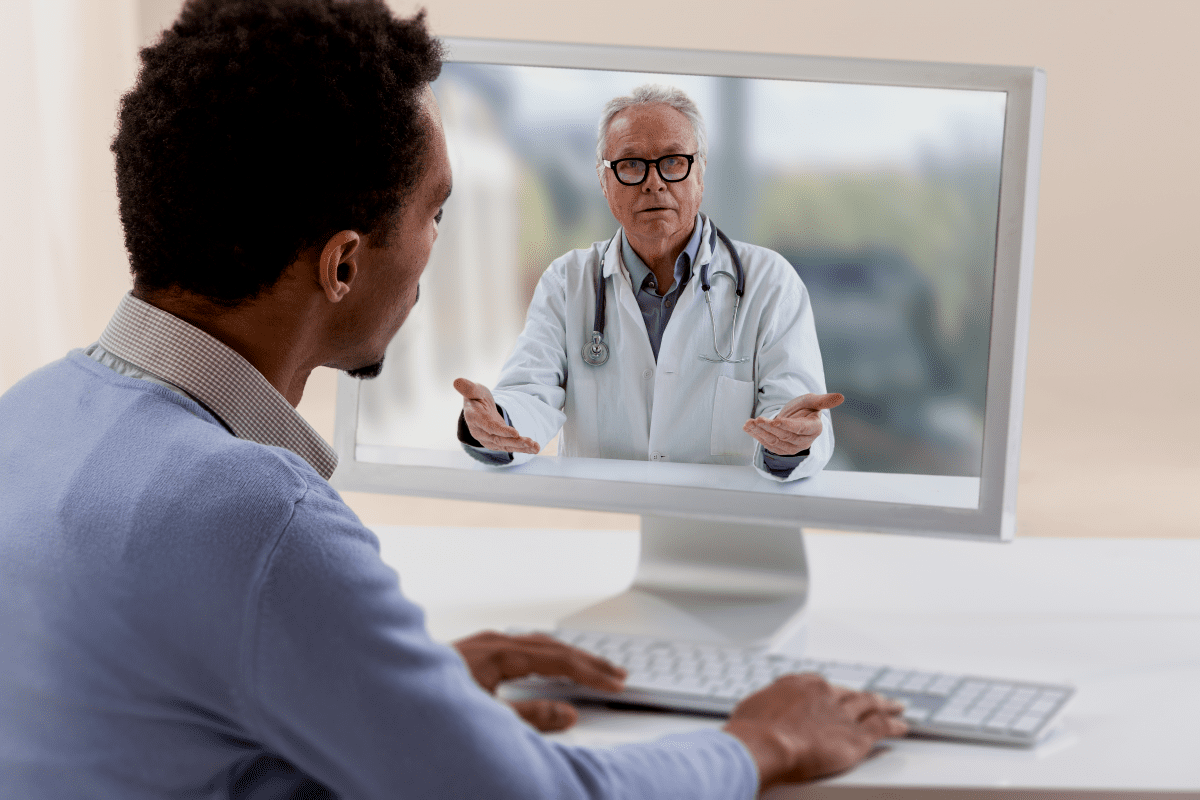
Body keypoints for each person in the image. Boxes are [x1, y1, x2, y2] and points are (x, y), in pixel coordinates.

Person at [0, 2, 905, 797]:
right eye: (435, 214)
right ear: (344, 265)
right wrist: (765, 742)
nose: (654, 184)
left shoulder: (26, 418)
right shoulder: (257, 518)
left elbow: (157, 725)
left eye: (674, 163)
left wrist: (389, 696)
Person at [455, 84, 843, 482]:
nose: (653, 182)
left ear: (700, 173)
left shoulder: (771, 283)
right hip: (608, 515)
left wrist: (790, 442)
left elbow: (792, 410)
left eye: (673, 162)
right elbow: (528, 393)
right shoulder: (566, 282)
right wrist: (496, 421)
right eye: (631, 165)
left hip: (721, 518)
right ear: (604, 181)